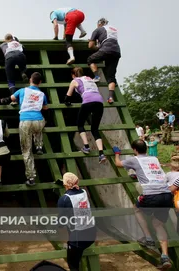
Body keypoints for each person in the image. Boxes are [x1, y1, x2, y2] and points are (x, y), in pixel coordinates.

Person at [113, 140, 172, 269]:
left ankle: (148, 237)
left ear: (134, 149)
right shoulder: (154, 159)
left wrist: (117, 153)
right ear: (146, 148)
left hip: (151, 195)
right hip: (167, 195)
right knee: (158, 224)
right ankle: (165, 256)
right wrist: (138, 175)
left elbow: (117, 164)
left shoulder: (134, 159)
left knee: (137, 209)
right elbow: (151, 172)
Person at [0, 72, 48, 185]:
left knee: (26, 151)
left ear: (30, 80)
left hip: (25, 121)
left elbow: (10, 99)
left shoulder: (22, 90)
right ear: (40, 82)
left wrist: (3, 100)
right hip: (38, 120)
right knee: (40, 125)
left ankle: (31, 178)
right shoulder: (42, 94)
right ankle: (39, 146)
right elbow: (45, 108)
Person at [64, 67, 106, 163]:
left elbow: (68, 96)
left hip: (87, 101)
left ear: (73, 75)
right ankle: (101, 154)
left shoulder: (75, 80)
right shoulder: (90, 78)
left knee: (80, 124)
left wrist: (67, 102)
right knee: (95, 129)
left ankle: (86, 147)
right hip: (99, 102)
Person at [57, 172, 96, 271]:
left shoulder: (64, 199)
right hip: (91, 234)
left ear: (65, 184)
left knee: (73, 264)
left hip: (78, 239)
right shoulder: (84, 192)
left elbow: (61, 222)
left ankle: (71, 247)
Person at [87, 18, 121, 104]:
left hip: (106, 50)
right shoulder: (113, 29)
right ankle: (110, 97)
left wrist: (96, 47)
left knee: (90, 59)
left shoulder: (98, 29)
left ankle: (96, 76)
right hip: (116, 51)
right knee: (111, 77)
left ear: (99, 24)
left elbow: (90, 46)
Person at [0, 34, 28, 104]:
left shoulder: (3, 44)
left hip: (9, 57)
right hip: (21, 55)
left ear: (5, 39)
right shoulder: (17, 43)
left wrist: (2, 62)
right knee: (22, 63)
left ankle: (14, 100)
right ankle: (23, 72)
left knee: (11, 81)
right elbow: (25, 50)